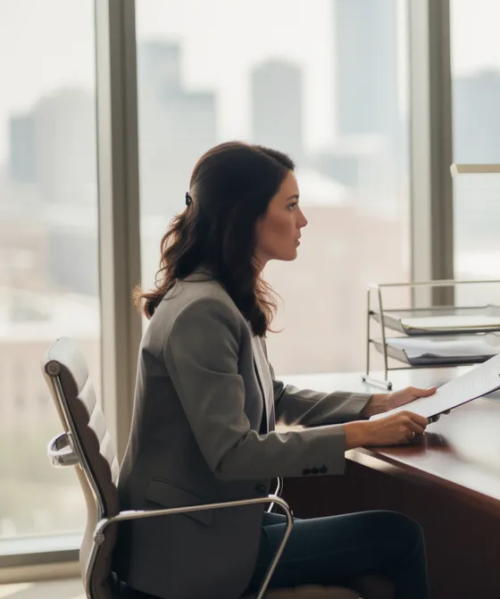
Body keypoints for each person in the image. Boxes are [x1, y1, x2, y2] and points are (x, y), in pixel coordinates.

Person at [116, 142, 433, 599]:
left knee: (376, 544)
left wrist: (377, 404)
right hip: (191, 549)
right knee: (398, 536)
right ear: (246, 216)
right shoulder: (203, 311)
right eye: (291, 205)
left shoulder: (219, 294)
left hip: (206, 521)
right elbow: (233, 454)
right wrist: (362, 434)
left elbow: (273, 395)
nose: (302, 221)